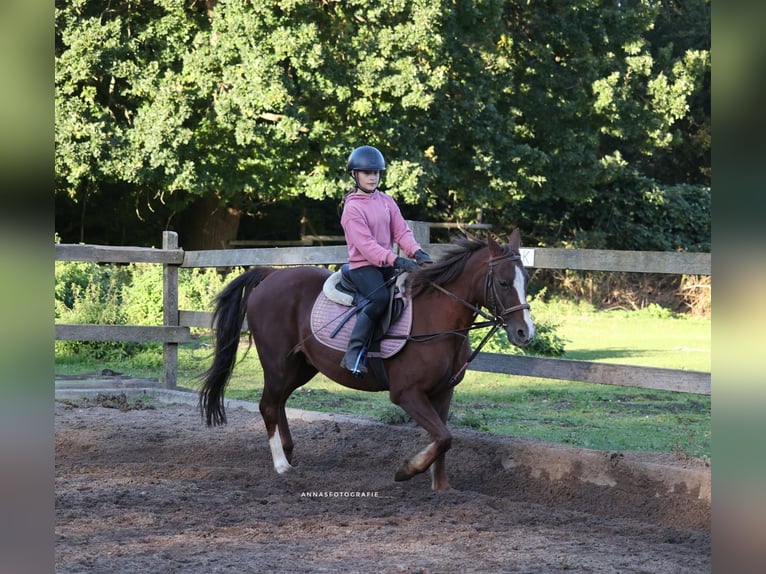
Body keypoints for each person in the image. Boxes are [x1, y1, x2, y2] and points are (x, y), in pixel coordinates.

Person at [339, 145, 433, 376]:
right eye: (367, 173)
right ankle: (353, 352)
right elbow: (367, 246)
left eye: (376, 173)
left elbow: (401, 232)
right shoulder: (352, 208)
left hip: (387, 264)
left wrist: (417, 253)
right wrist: (397, 261)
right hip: (364, 267)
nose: (372, 177)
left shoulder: (386, 200)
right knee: (379, 298)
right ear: (355, 174)